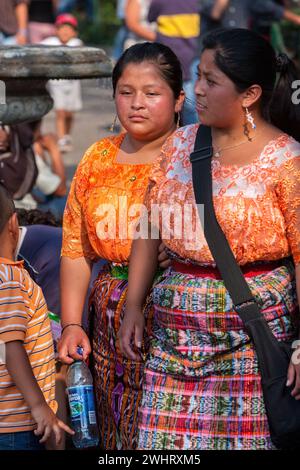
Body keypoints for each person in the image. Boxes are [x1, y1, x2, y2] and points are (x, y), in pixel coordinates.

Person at [119, 28, 300, 450]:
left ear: (250, 94)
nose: (195, 90)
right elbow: (149, 226)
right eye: (198, 76)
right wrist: (133, 304)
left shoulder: (287, 161)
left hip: (251, 346)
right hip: (171, 343)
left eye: (210, 81)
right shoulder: (181, 144)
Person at [58, 42, 185, 450]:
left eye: (152, 93)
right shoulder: (97, 157)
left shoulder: (192, 157)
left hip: (171, 309)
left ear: (179, 99)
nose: (137, 103)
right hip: (106, 310)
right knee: (111, 427)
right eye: (125, 92)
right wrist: (73, 323)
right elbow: (76, 247)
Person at [0, 184, 74, 450]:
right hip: (18, 424)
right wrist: (39, 406)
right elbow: (10, 346)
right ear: (13, 223)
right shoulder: (9, 279)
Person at [147, 0, 200, 124]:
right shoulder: (196, 3)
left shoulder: (159, 2)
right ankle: (194, 135)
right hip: (190, 56)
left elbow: (150, 18)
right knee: (190, 102)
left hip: (166, 59)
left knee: (166, 99)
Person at [41, 13, 83, 153]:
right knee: (60, 112)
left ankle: (66, 135)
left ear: (74, 32)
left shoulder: (76, 44)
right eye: (62, 28)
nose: (65, 31)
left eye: (69, 28)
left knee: (69, 114)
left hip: (73, 84)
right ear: (56, 30)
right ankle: (61, 138)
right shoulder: (49, 43)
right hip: (56, 84)